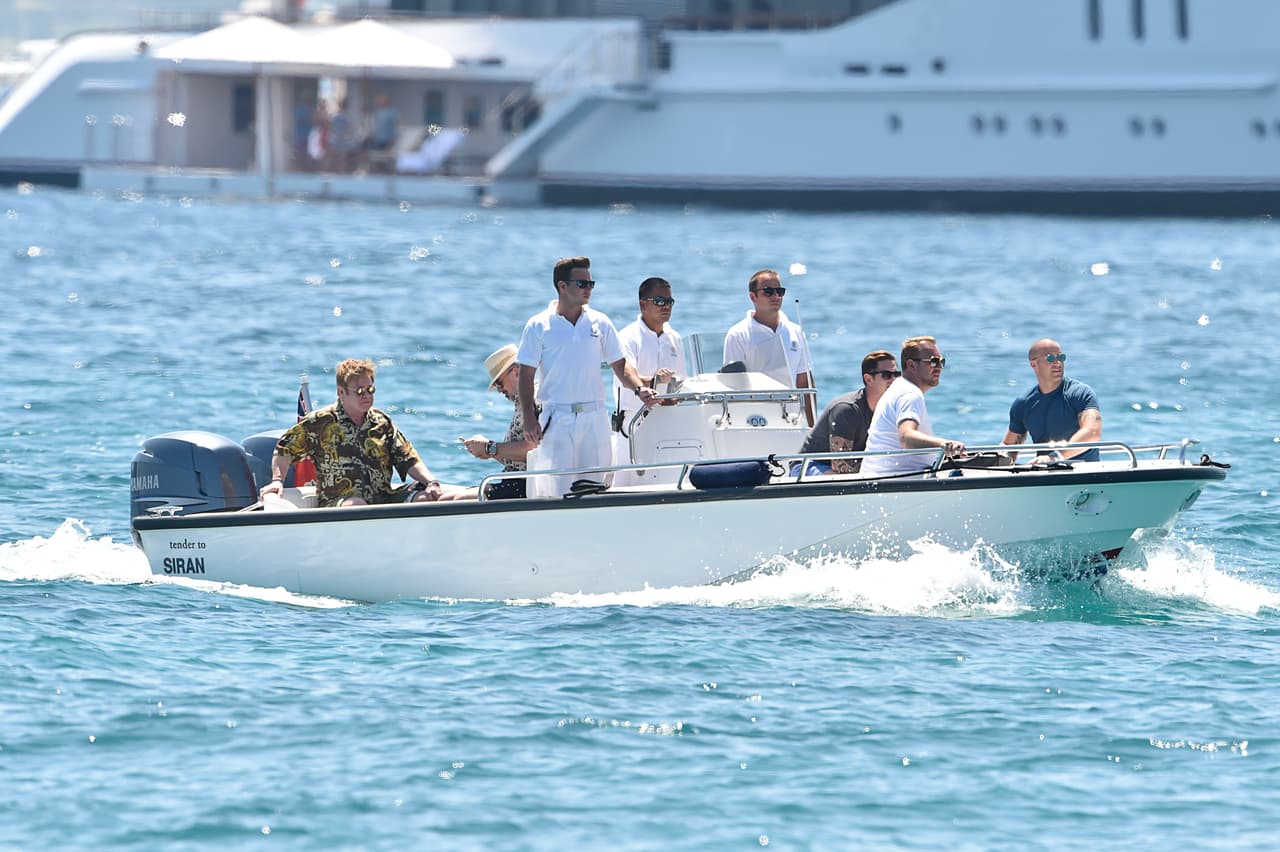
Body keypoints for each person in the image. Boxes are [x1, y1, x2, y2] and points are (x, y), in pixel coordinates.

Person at [517, 256, 658, 496]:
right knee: (557, 491)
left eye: (591, 284)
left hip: (594, 417)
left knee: (595, 487)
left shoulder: (600, 322)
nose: (588, 290)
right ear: (562, 286)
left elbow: (621, 365)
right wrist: (529, 418)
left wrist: (638, 388)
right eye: (582, 284)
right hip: (557, 417)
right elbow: (525, 375)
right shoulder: (538, 325)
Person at [259, 358, 444, 506]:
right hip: (340, 504)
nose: (367, 396)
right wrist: (277, 481)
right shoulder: (321, 422)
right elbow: (285, 449)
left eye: (370, 390)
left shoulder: (382, 423)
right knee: (356, 504)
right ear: (341, 392)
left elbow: (408, 458)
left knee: (425, 499)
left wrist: (431, 482)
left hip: (383, 499)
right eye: (360, 391)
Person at [722, 268, 815, 425]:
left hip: (792, 419)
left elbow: (804, 382)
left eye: (779, 291)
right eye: (768, 291)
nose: (776, 296)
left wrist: (813, 427)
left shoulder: (795, 331)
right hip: (754, 419)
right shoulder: (737, 334)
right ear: (753, 296)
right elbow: (732, 385)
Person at [861, 336, 965, 475]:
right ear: (911, 365)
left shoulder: (899, 388)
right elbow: (906, 438)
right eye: (933, 362)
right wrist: (944, 444)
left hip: (886, 478)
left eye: (941, 362)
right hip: (897, 480)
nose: (939, 367)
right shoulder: (909, 393)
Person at [452, 344, 539, 500]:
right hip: (518, 481)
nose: (499, 390)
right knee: (449, 497)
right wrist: (487, 451)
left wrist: (489, 447)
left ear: (517, 371)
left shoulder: (534, 399)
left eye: (499, 382)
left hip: (526, 485)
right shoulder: (523, 401)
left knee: (455, 500)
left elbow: (533, 450)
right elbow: (519, 460)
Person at [797, 349, 898, 474]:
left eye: (897, 374)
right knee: (837, 478)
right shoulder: (847, 410)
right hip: (811, 465)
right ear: (868, 379)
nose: (893, 379)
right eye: (887, 375)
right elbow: (840, 465)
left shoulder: (890, 409)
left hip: (853, 469)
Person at [1002, 338, 1102, 462]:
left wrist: (1054, 458)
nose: (1058, 363)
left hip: (1084, 473)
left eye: (1061, 358)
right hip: (1045, 473)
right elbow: (1009, 446)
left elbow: (1092, 432)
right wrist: (992, 460)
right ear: (1034, 364)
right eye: (1050, 358)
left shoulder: (1081, 393)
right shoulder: (1023, 404)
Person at [612, 276, 687, 426]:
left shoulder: (675, 338)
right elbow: (625, 375)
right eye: (660, 301)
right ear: (643, 305)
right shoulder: (627, 337)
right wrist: (656, 382)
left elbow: (681, 383)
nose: (666, 306)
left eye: (669, 302)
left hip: (669, 421)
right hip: (634, 422)